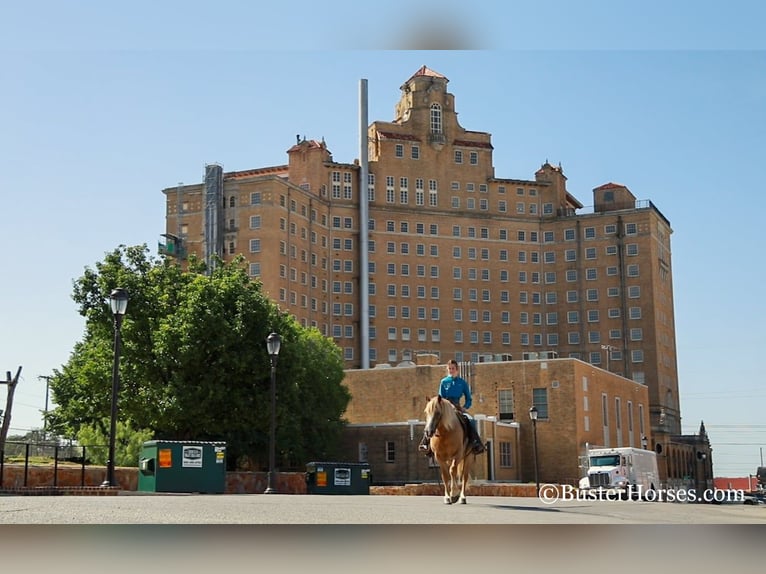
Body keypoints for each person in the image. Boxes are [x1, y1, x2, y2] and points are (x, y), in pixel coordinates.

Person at [419, 359, 485, 456]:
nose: (451, 370)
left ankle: (476, 443)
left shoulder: (462, 383)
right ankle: (425, 443)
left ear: (457, 369)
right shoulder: (444, 382)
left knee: (470, 420)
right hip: (445, 407)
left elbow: (468, 398)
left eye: (453, 368)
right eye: (449, 368)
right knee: (432, 419)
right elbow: (440, 397)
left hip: (457, 407)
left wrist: (465, 407)